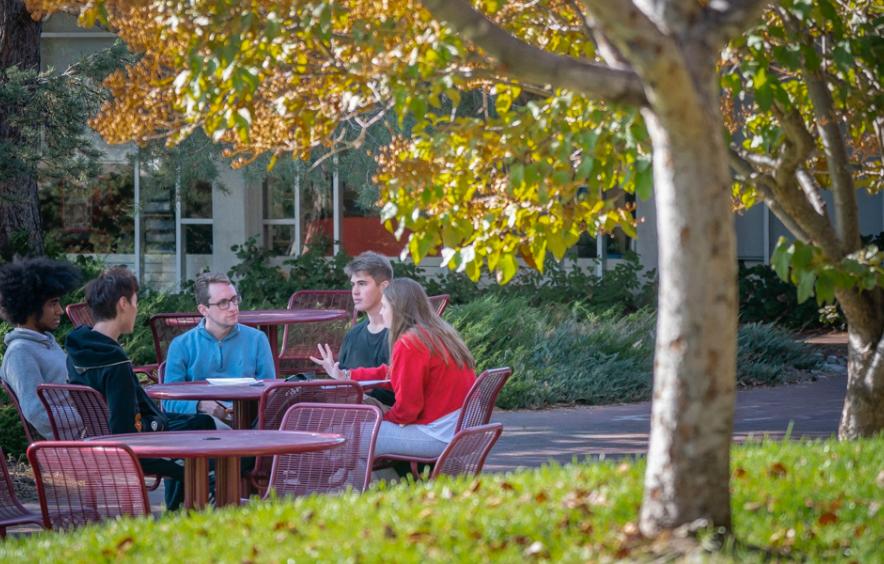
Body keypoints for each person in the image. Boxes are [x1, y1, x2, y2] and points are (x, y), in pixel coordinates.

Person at [65, 266, 216, 511]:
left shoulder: (76, 352)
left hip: (95, 440)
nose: (137, 308)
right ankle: (190, 503)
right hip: (127, 447)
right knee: (202, 432)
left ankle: (181, 505)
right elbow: (125, 430)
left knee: (201, 422)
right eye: (136, 301)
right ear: (123, 303)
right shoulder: (115, 362)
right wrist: (158, 427)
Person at [311, 277, 476, 458]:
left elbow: (407, 411)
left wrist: (381, 417)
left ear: (398, 309)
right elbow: (392, 373)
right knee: (357, 430)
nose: (380, 312)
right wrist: (347, 374)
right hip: (459, 431)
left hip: (436, 434)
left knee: (341, 437)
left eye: (384, 306)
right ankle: (387, 482)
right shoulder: (435, 333)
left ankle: (353, 485)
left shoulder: (410, 343)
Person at [163, 273, 274, 419]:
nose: (233, 308)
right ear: (204, 310)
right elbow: (168, 400)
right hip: (201, 425)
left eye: (235, 300)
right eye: (223, 303)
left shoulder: (257, 339)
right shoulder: (181, 345)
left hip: (250, 424)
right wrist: (200, 405)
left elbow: (272, 393)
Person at [0, 258, 82, 440]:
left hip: (94, 435)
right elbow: (36, 412)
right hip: (77, 448)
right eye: (53, 303)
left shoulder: (46, 343)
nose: (60, 310)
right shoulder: (20, 352)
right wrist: (91, 415)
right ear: (30, 306)